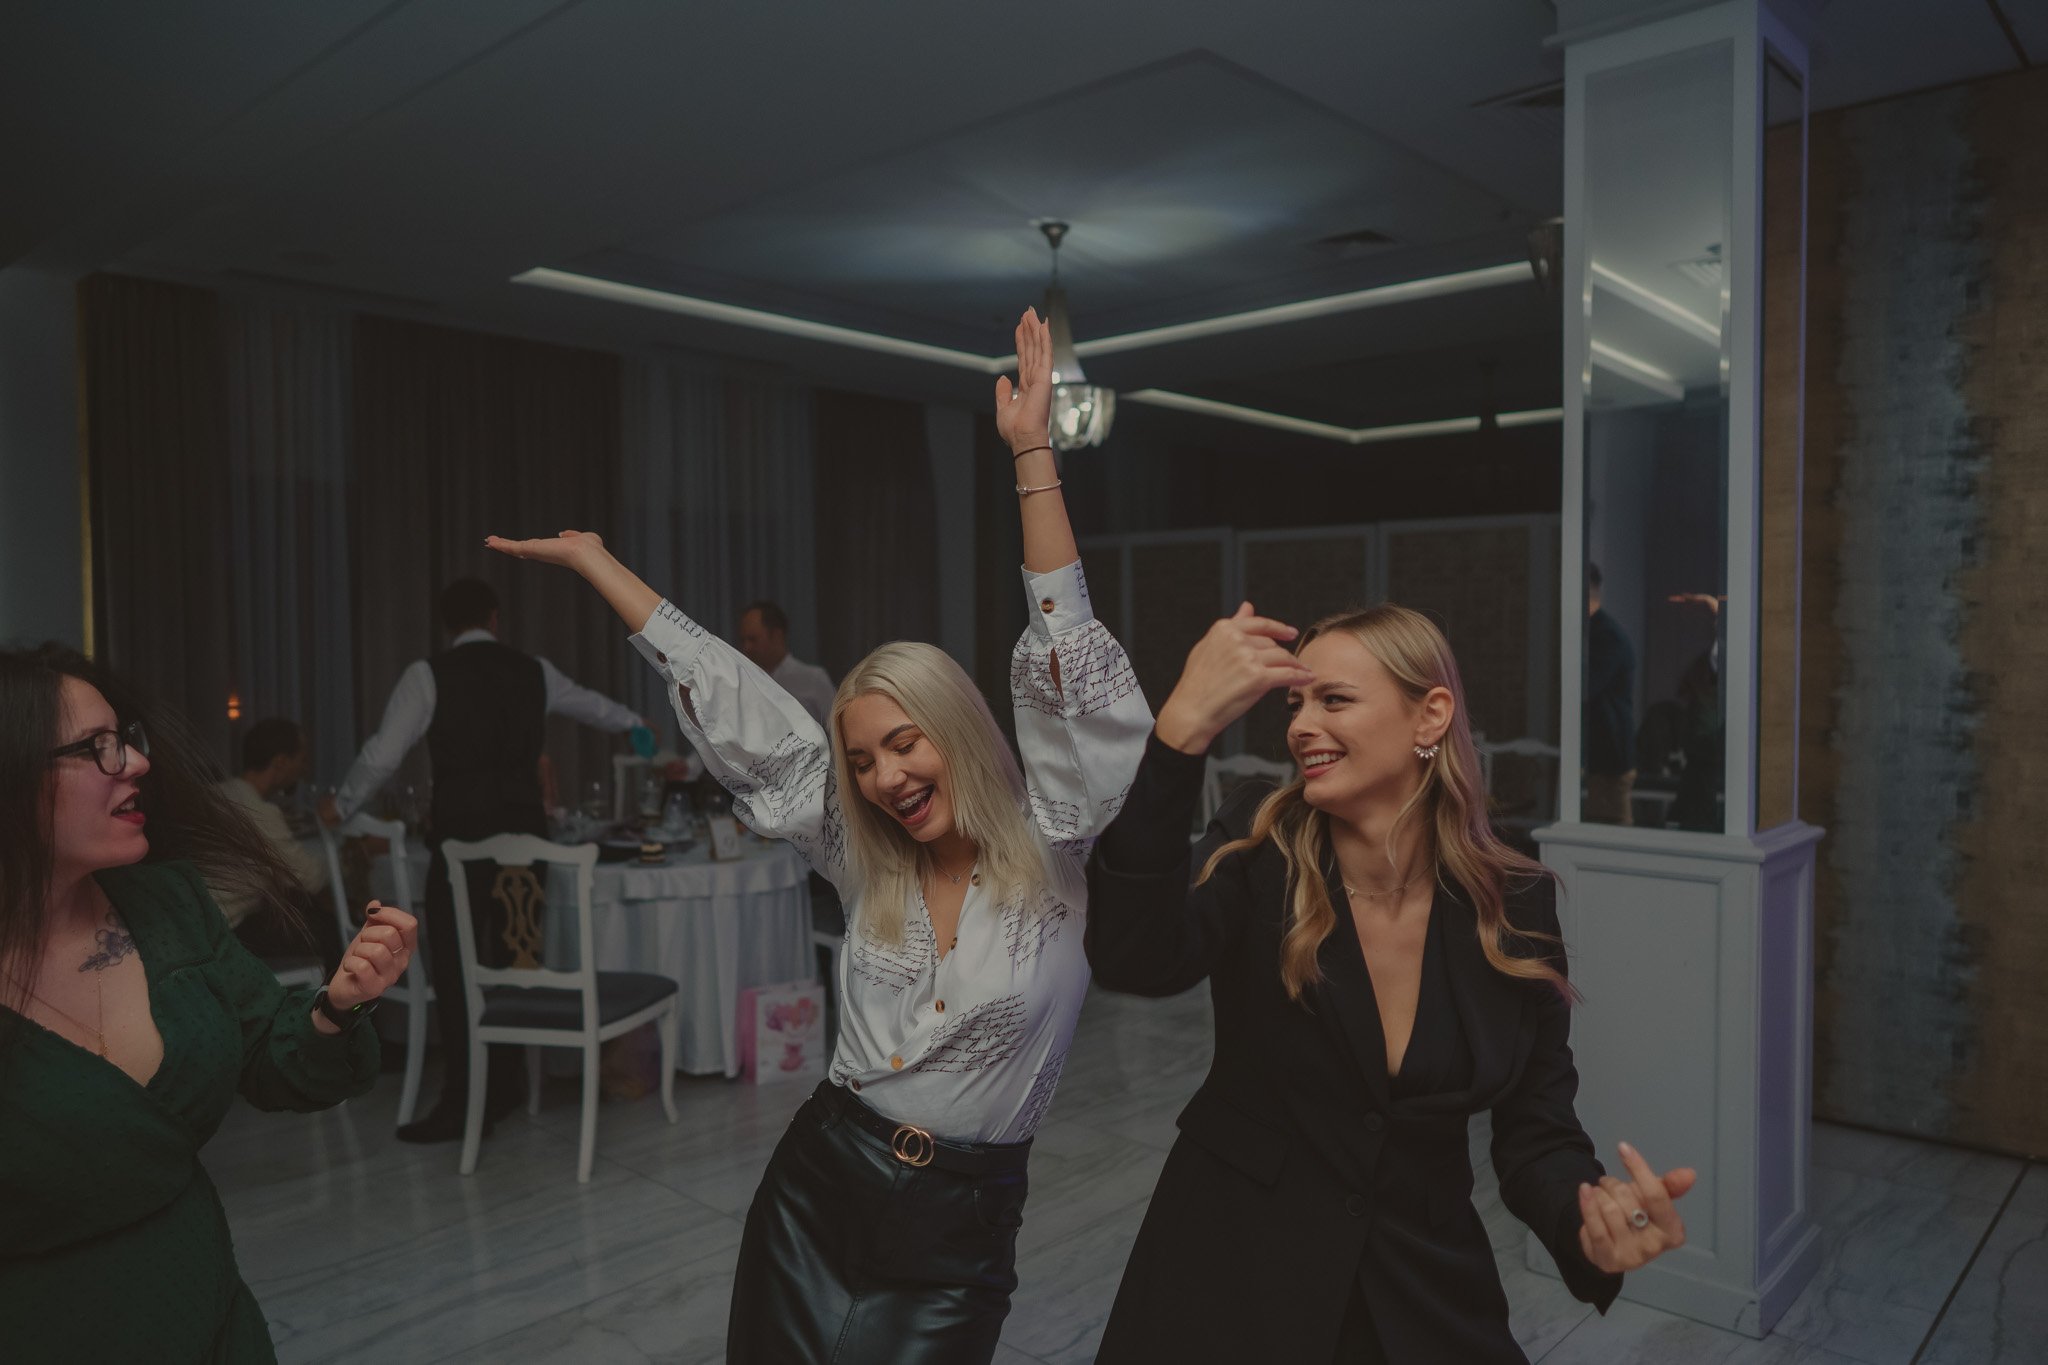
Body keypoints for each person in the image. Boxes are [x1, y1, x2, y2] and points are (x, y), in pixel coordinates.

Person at [486, 308, 1151, 1365]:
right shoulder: (862, 854)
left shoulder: (1054, 842)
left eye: (904, 746)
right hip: (816, 1190)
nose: (885, 778)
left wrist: (1032, 452)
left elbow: (1068, 655)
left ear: (959, 734)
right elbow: (733, 705)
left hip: (958, 1232)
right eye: (862, 762)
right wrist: (597, 566)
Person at [1083, 604, 1695, 1364]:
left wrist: (1590, 1221)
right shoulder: (1258, 843)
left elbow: (1538, 1132)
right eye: (1295, 703)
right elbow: (1133, 955)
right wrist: (1177, 738)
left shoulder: (1516, 899)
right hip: (1231, 1269)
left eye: (1333, 699)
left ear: (1429, 715)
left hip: (1421, 1284)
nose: (1302, 724)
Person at [0, 645, 416, 1365]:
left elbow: (272, 1054)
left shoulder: (170, 903)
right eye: (95, 748)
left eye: (127, 737)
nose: (134, 761)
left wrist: (336, 1006)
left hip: (215, 1323)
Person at [319, 577, 644, 1143]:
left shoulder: (428, 675)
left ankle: (468, 1099)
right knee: (517, 961)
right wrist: (639, 727)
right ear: (495, 618)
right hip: (528, 842)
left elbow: (382, 755)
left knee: (459, 968)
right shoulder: (535, 670)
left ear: (449, 625)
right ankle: (509, 1083)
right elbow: (596, 708)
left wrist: (341, 805)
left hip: (462, 841)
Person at [214, 717, 330, 944]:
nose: (304, 769)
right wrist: (354, 852)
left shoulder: (219, 792)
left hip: (203, 917)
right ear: (280, 763)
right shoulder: (259, 811)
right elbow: (309, 879)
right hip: (229, 927)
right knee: (325, 930)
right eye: (302, 760)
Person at [1583, 563, 1636, 825]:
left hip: (1609, 754)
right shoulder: (1596, 632)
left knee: (1612, 830)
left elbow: (1587, 688)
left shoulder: (1607, 636)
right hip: (1600, 753)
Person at [737, 598, 836, 730]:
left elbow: (837, 729)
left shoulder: (813, 679)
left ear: (777, 635)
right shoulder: (742, 681)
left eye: (753, 639)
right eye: (743, 640)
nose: (746, 647)